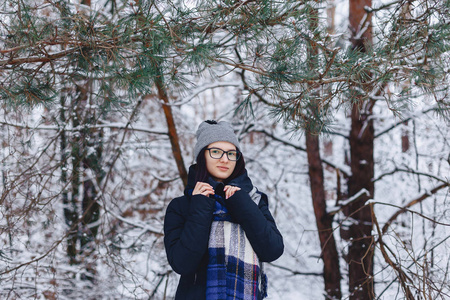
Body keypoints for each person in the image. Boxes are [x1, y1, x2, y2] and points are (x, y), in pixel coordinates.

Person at [164, 120, 284, 300]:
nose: (225, 159)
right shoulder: (182, 206)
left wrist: (241, 203)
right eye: (216, 152)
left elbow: (272, 250)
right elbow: (182, 263)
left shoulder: (253, 200)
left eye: (231, 153)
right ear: (202, 156)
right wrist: (201, 205)